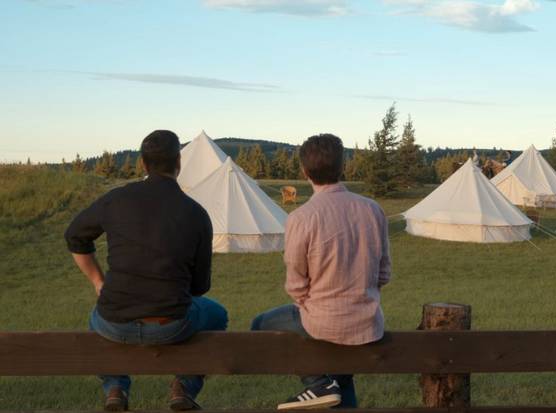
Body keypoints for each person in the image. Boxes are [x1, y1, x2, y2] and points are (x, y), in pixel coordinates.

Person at [64, 130, 228, 412]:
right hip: (172, 324)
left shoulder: (116, 200)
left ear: (143, 163)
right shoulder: (195, 213)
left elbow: (74, 236)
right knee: (217, 314)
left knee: (96, 317)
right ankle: (184, 386)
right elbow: (199, 288)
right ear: (178, 162)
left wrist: (97, 281)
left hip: (114, 321)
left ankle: (115, 387)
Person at [251, 133, 391, 410]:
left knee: (259, 324)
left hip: (322, 320)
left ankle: (316, 382)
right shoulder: (373, 209)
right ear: (343, 167)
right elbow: (384, 273)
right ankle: (328, 383)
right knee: (342, 376)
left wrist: (313, 305)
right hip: (367, 322)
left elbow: (295, 283)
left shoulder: (301, 217)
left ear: (304, 171)